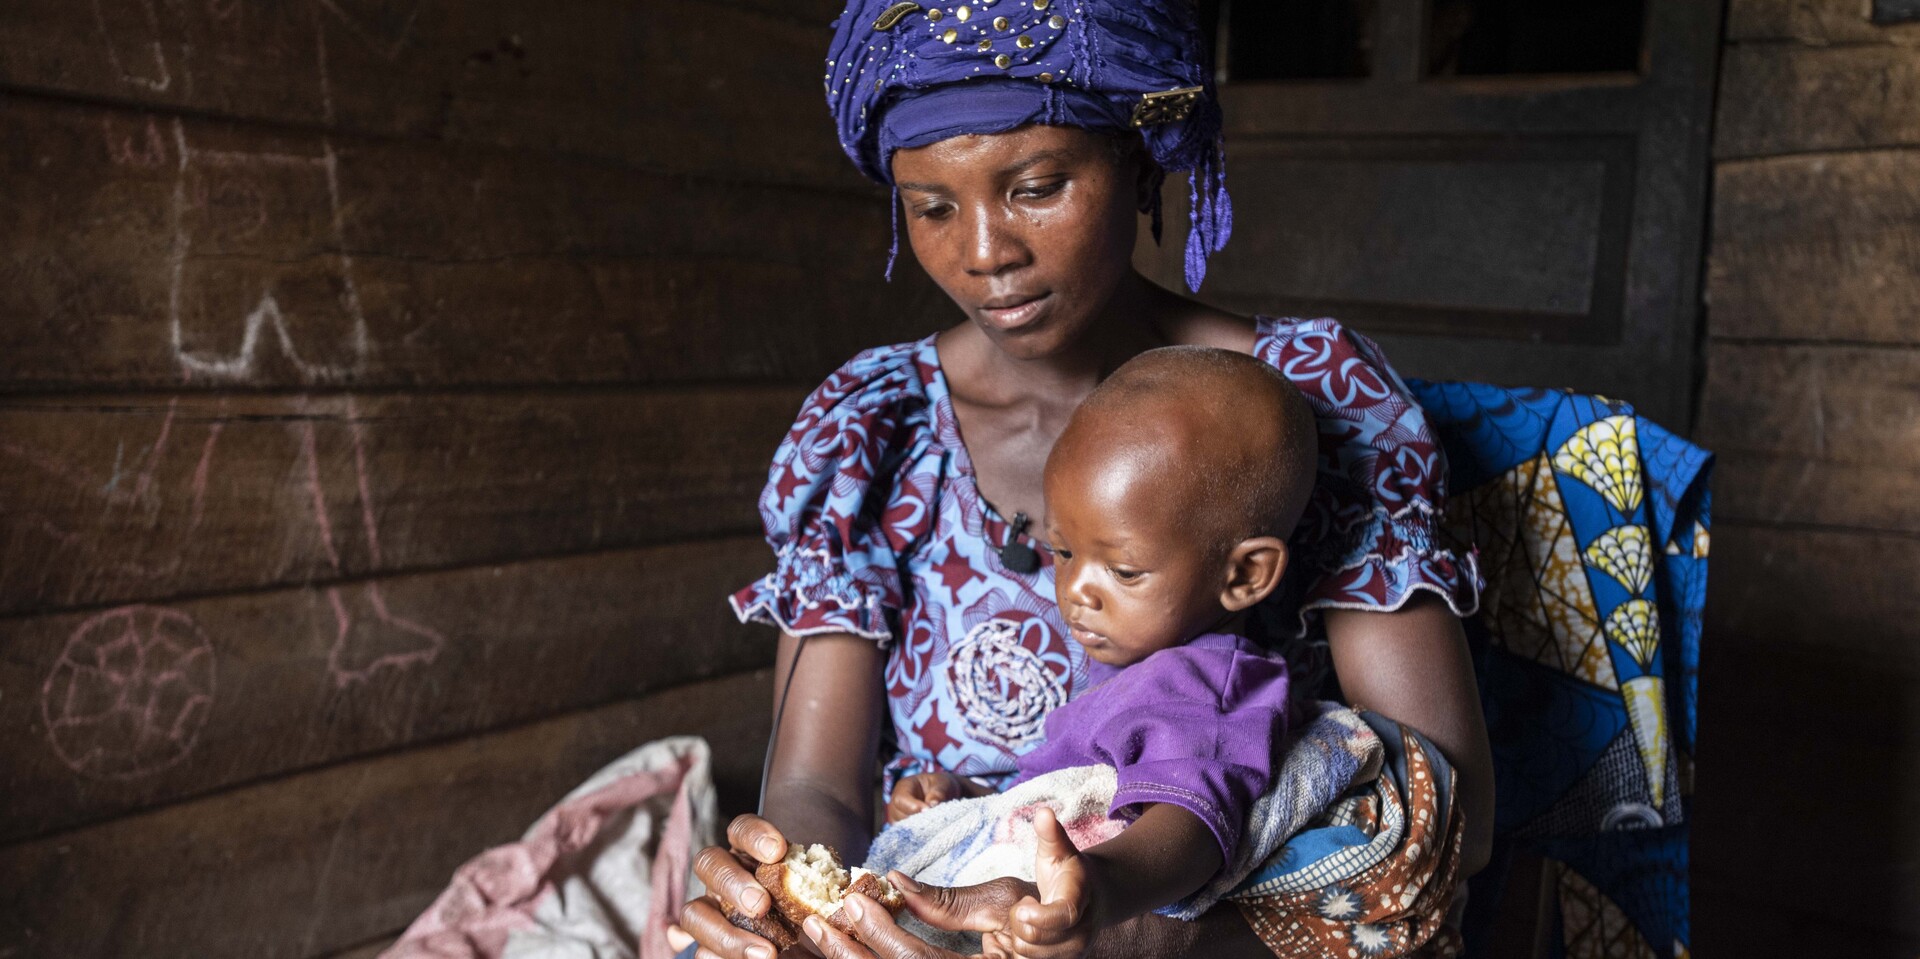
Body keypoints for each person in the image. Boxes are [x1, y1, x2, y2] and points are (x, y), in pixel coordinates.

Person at [671, 1, 1493, 956]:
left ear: (1139, 163)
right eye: (933, 207)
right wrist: (798, 899)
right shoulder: (871, 428)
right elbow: (820, 787)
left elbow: (1448, 815)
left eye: (1037, 186)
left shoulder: (1305, 403)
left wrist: (1125, 935)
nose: (986, 254)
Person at [877, 347, 1315, 959]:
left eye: (1124, 570)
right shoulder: (1131, 671)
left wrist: (1100, 890)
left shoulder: (1211, 682)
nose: (1077, 591)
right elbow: (1067, 796)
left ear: (1245, 575)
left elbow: (1190, 822)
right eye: (1063, 553)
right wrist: (963, 797)